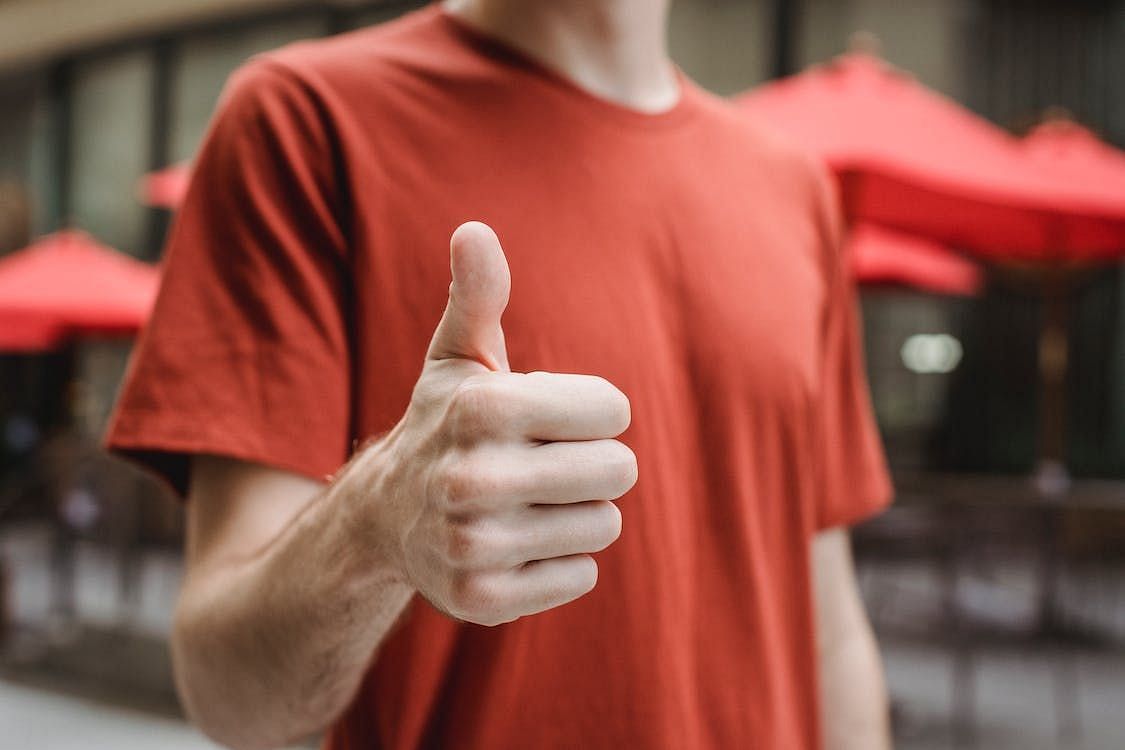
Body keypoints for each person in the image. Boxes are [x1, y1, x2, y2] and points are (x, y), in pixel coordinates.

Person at [107, 1, 893, 748]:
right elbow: (225, 692)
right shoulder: (302, 120)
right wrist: (376, 524)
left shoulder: (794, 189)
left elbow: (827, 631)